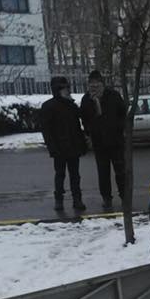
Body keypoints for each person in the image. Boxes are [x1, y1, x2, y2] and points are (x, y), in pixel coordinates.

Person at [80, 69, 126, 211]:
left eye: (97, 84)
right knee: (103, 173)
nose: (94, 87)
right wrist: (90, 132)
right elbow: (84, 119)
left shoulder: (113, 96)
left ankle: (125, 196)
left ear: (102, 84)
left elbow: (123, 113)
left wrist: (119, 128)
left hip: (116, 141)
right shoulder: (86, 99)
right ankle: (107, 198)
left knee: (121, 171)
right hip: (99, 143)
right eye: (91, 85)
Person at [41, 76, 87, 212]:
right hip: (59, 148)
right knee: (60, 175)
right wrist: (52, 148)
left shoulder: (71, 105)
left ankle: (77, 199)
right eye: (64, 88)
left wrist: (82, 144)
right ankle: (59, 200)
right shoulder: (49, 106)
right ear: (57, 90)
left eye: (68, 88)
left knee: (75, 175)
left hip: (73, 147)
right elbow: (46, 130)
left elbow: (78, 125)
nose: (67, 90)